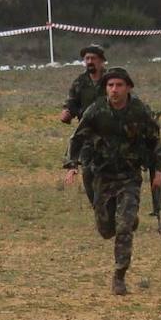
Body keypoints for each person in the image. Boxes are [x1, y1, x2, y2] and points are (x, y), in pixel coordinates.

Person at [63, 67, 161, 296]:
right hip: (102, 175)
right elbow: (77, 139)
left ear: (128, 87)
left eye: (119, 85)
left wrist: (158, 170)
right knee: (106, 229)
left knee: (123, 227)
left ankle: (119, 275)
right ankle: (129, 219)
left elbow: (155, 142)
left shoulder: (139, 111)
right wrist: (72, 165)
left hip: (129, 176)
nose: (114, 90)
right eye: (110, 85)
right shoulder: (96, 110)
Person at [60, 44, 108, 205]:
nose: (89, 61)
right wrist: (67, 112)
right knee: (88, 175)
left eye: (93, 58)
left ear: (101, 61)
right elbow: (72, 103)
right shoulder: (80, 82)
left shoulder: (112, 81)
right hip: (88, 135)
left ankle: (112, 206)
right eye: (86, 58)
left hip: (110, 133)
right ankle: (99, 209)